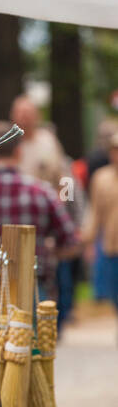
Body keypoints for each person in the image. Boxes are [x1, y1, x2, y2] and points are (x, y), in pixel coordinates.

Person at [0, 120, 78, 303]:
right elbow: (70, 242)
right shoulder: (42, 192)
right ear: (19, 152)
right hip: (34, 288)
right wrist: (46, 248)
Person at [82, 131, 118, 328]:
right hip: (110, 245)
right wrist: (89, 241)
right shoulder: (101, 178)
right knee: (113, 292)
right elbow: (94, 212)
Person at [11, 95, 68, 187]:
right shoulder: (5, 144)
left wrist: (63, 199)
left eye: (28, 112)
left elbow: (64, 175)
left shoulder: (49, 141)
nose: (24, 116)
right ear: (12, 116)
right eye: (20, 112)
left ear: (38, 115)